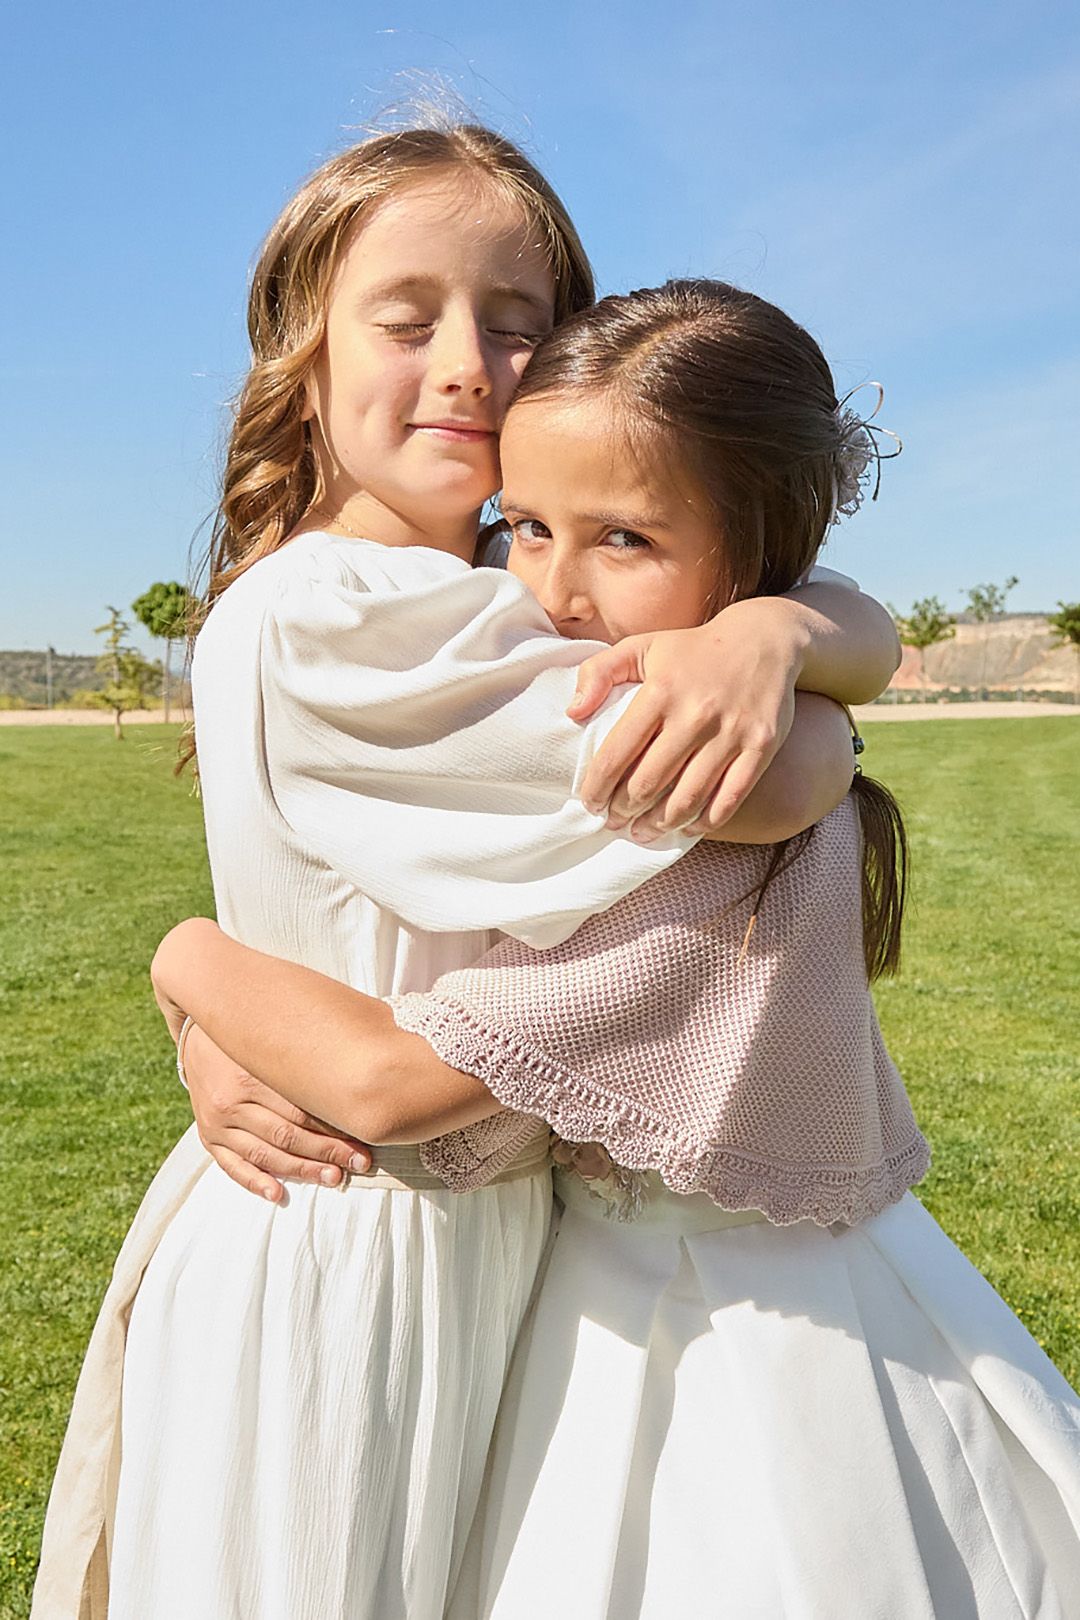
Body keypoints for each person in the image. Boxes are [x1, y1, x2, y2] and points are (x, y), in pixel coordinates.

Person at [31, 133, 899, 1620]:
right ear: (303, 359)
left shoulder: (482, 598)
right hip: (361, 1254)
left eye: (516, 320)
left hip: (450, 1232)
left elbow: (811, 628)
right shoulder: (353, 616)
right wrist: (793, 663)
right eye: (406, 314)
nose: (469, 363)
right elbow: (775, 782)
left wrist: (776, 634)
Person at [151, 282, 1080, 1618]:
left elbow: (392, 1087)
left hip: (717, 1339)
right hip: (680, 1277)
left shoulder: (673, 783)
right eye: (522, 526)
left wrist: (187, 957)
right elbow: (833, 643)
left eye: (624, 538)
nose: (551, 590)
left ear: (754, 543)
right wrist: (793, 631)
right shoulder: (719, 701)